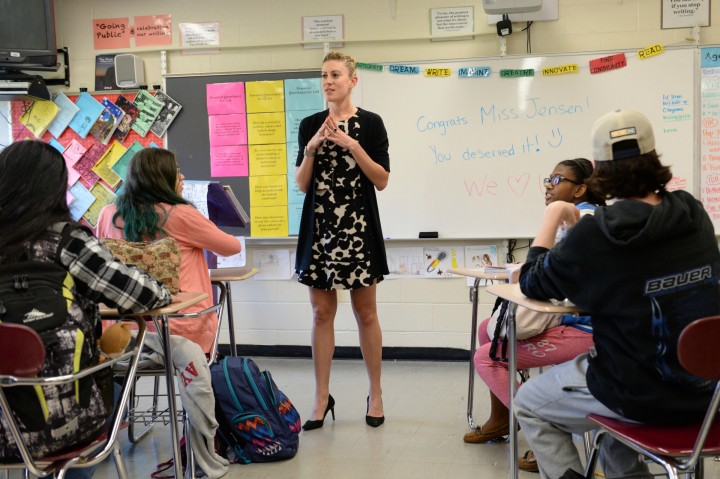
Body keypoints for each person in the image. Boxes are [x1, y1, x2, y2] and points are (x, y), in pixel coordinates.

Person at [513, 109, 720, 479]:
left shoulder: (596, 236)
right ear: (653, 156)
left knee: (529, 403)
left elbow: (532, 282)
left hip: (637, 393)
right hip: (707, 392)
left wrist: (553, 215)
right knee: (608, 420)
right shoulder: (693, 213)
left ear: (597, 169)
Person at [0, 140, 173, 477]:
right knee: (115, 387)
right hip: (57, 427)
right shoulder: (66, 241)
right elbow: (144, 295)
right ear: (53, 189)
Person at [464, 159, 603, 473]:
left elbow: (538, 280)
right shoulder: (584, 218)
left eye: (558, 178)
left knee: (485, 357)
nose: (548, 184)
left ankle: (544, 432)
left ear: (580, 188)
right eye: (548, 178)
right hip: (576, 321)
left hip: (585, 329)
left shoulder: (584, 221)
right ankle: (501, 420)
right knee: (489, 330)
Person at [294, 51, 390, 430]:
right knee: (321, 313)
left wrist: (352, 146)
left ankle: (376, 393)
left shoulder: (371, 124)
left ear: (352, 80)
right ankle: (321, 397)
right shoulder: (310, 125)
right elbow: (302, 184)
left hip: (358, 230)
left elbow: (381, 179)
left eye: (335, 74)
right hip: (320, 232)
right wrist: (311, 148)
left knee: (366, 313)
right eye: (323, 75)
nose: (328, 81)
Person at [96, 147, 242, 354]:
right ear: (161, 179)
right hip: (179, 324)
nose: (182, 176)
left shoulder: (108, 213)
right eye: (176, 170)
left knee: (124, 374)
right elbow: (232, 247)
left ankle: (121, 385)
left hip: (123, 326)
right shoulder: (180, 214)